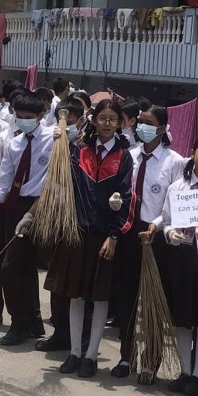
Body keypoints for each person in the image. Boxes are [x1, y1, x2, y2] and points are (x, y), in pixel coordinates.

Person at [45, 98, 134, 377]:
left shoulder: (124, 156)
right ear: (94, 121)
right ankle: (74, 353)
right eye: (102, 118)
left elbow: (127, 198)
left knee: (100, 298)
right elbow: (60, 180)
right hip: (78, 232)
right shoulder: (80, 150)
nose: (107, 124)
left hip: (104, 236)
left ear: (120, 123)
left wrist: (114, 235)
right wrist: (58, 146)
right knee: (76, 296)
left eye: (112, 119)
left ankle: (91, 356)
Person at [0, 90, 56, 339]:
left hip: (40, 205)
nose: (23, 121)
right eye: (19, 116)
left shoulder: (53, 139)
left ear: (40, 115)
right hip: (14, 204)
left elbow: (53, 181)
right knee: (20, 266)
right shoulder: (13, 143)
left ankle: (20, 322)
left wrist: (32, 214)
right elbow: (3, 180)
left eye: (29, 117)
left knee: (12, 266)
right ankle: (31, 321)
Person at [111, 105, 185, 381]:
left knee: (153, 296)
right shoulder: (130, 156)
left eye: (149, 123)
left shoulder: (174, 162)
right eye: (140, 122)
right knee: (128, 295)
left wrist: (158, 225)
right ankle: (126, 355)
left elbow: (174, 202)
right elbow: (121, 191)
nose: (141, 126)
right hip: (130, 230)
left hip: (157, 234)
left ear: (162, 128)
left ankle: (151, 361)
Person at [157, 136, 198, 396]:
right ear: (193, 153)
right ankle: (184, 371)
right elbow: (166, 220)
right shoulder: (178, 187)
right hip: (182, 256)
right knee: (182, 317)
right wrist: (170, 233)